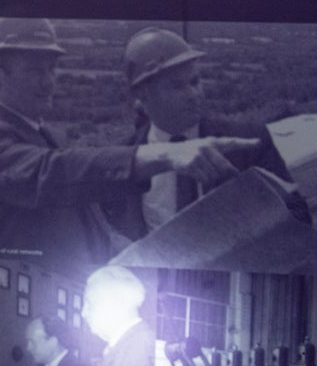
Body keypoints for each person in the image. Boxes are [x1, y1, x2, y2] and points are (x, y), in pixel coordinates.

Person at [0, 16, 258, 277]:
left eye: (51, 69)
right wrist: (164, 155)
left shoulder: (44, 136)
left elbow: (80, 206)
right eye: (34, 70)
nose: (48, 82)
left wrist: (127, 251)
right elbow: (52, 173)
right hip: (18, 295)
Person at [110, 26, 295, 240]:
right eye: (177, 86)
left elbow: (297, 217)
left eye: (195, 81)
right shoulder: (123, 161)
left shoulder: (248, 143)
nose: (193, 94)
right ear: (143, 94)